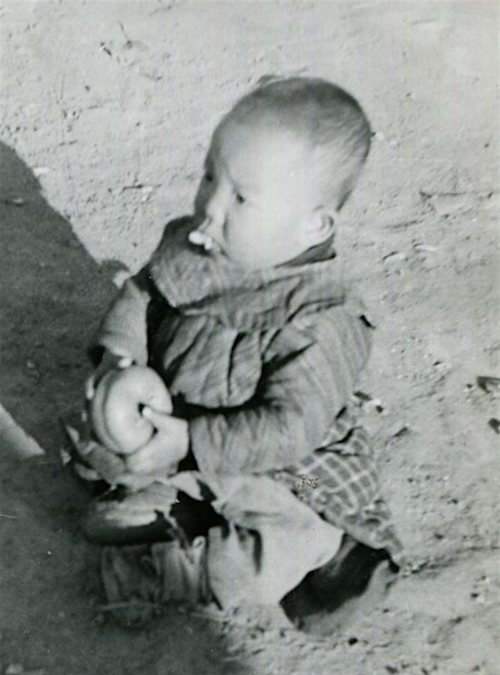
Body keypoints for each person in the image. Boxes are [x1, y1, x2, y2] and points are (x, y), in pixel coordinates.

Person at [80, 76, 403, 622]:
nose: (210, 205)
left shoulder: (320, 319)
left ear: (313, 225)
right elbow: (145, 292)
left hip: (290, 468)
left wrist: (190, 441)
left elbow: (289, 430)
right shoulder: (199, 246)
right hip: (191, 431)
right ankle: (189, 507)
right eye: (210, 176)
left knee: (292, 525)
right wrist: (120, 356)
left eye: (241, 197)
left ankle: (249, 557)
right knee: (108, 477)